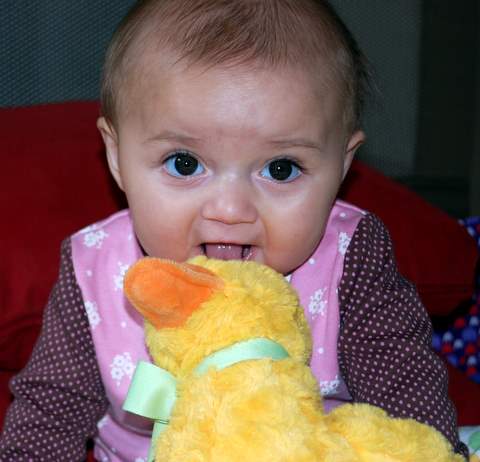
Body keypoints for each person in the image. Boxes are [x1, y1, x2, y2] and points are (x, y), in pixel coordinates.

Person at [0, 0, 468, 460]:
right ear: (117, 157)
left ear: (341, 166)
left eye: (281, 169)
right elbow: (50, 410)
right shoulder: (95, 268)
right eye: (184, 164)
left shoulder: (350, 258)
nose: (230, 210)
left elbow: (406, 390)